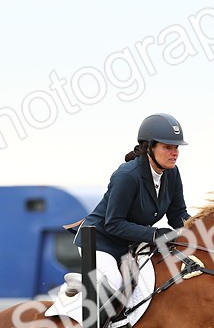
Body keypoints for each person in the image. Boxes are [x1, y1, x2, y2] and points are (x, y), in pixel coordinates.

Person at [73, 113, 191, 297]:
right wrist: (155, 234)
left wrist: (198, 229)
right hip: (100, 243)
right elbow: (114, 223)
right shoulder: (127, 176)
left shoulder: (172, 173)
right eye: (167, 147)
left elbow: (177, 214)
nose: (174, 152)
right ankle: (89, 323)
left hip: (130, 244)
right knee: (115, 282)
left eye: (176, 147)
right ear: (149, 146)